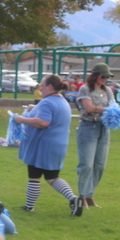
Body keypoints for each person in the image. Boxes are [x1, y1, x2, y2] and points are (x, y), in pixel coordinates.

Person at [12, 74, 84, 217]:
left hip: (42, 146)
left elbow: (43, 122)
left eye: (42, 85)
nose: (40, 88)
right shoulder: (61, 101)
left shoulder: (47, 102)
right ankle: (74, 199)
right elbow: (49, 112)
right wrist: (34, 107)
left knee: (34, 176)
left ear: (50, 87)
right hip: (58, 145)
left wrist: (21, 120)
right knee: (52, 177)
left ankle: (29, 207)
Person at [75, 63, 117, 208]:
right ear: (95, 75)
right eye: (103, 76)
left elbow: (114, 107)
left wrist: (99, 109)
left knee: (100, 165)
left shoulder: (107, 91)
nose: (105, 79)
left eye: (107, 76)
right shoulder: (85, 89)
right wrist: (105, 109)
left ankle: (90, 194)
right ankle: (83, 196)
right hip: (88, 128)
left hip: (104, 128)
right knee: (86, 164)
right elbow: (88, 108)